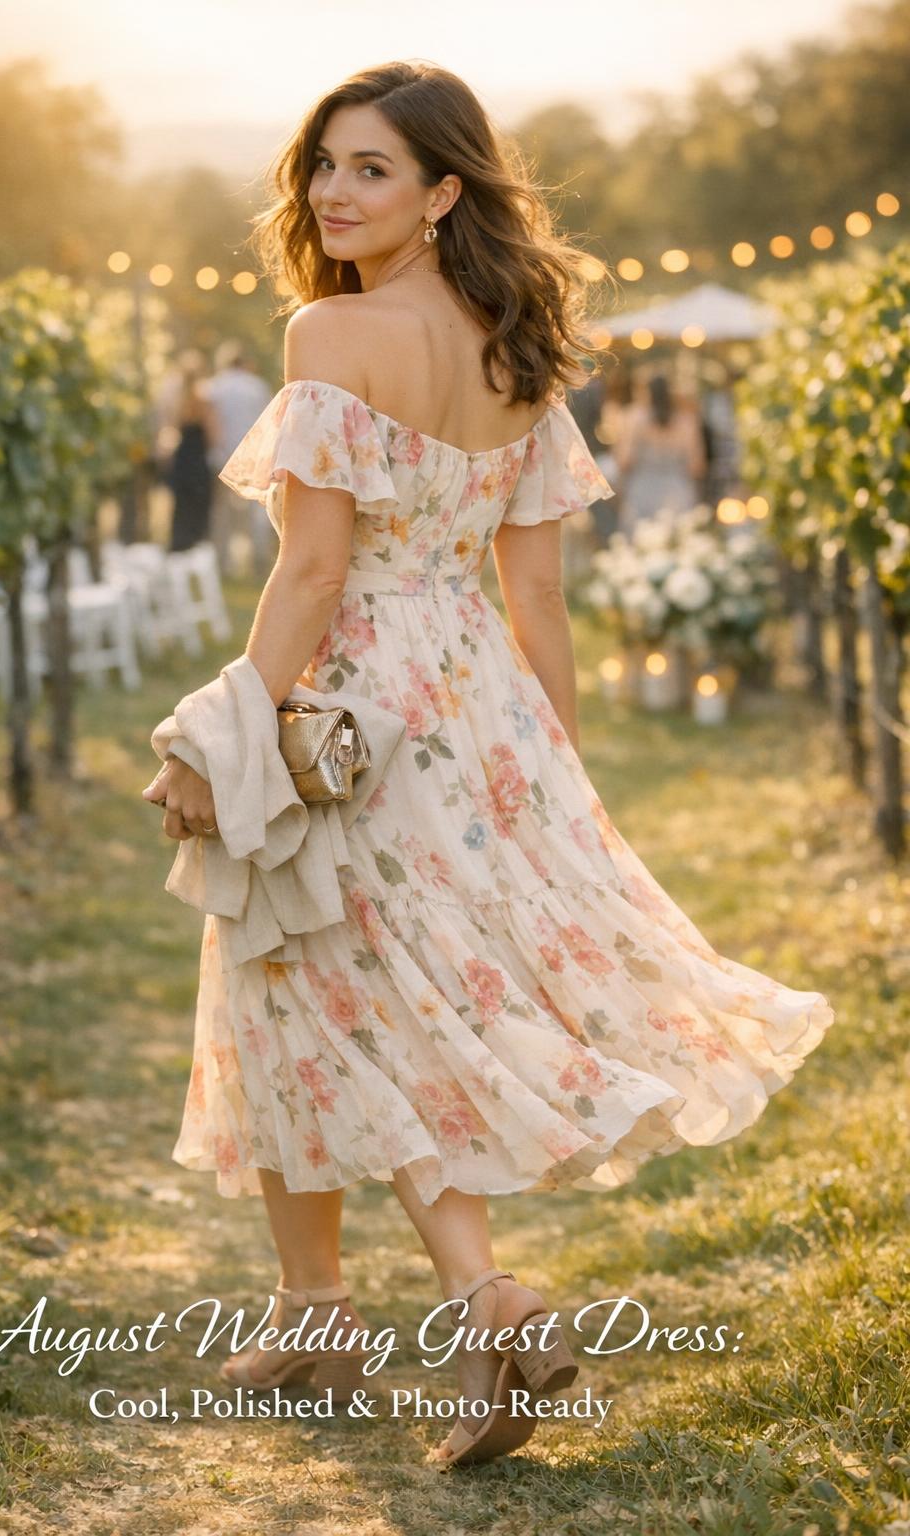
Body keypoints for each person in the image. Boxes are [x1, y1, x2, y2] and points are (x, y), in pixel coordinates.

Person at [141, 61, 834, 1469]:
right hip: (477, 714)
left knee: (324, 989)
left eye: (372, 169)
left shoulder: (328, 337)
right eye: (324, 163)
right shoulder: (519, 345)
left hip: (349, 709)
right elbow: (537, 600)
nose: (335, 191)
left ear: (444, 189)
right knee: (334, 990)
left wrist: (217, 737)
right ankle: (317, 1309)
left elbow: (315, 569)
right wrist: (549, 771)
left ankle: (480, 1303)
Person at [205, 340, 274, 578]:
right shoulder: (257, 387)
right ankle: (258, 561)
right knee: (256, 511)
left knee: (221, 512)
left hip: (222, 455)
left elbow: (211, 424)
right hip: (253, 456)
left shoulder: (214, 387)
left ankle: (222, 562)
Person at [613, 371, 706, 533]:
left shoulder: (634, 417)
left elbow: (623, 461)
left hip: (641, 491)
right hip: (678, 491)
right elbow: (697, 466)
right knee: (680, 539)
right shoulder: (687, 421)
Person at [157, 350, 218, 553]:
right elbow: (213, 435)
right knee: (198, 505)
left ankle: (179, 545)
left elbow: (169, 430)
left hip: (182, 457)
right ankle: (195, 546)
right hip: (197, 457)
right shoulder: (205, 398)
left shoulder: (175, 400)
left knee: (181, 505)